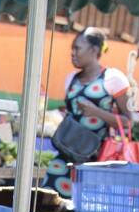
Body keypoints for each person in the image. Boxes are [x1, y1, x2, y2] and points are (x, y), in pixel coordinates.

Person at [42, 28, 131, 197]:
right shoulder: (71, 79)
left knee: (85, 204)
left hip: (95, 158)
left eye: (77, 48)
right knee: (50, 196)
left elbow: (128, 121)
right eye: (72, 49)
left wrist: (97, 112)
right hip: (67, 151)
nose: (73, 53)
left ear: (94, 50)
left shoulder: (112, 78)